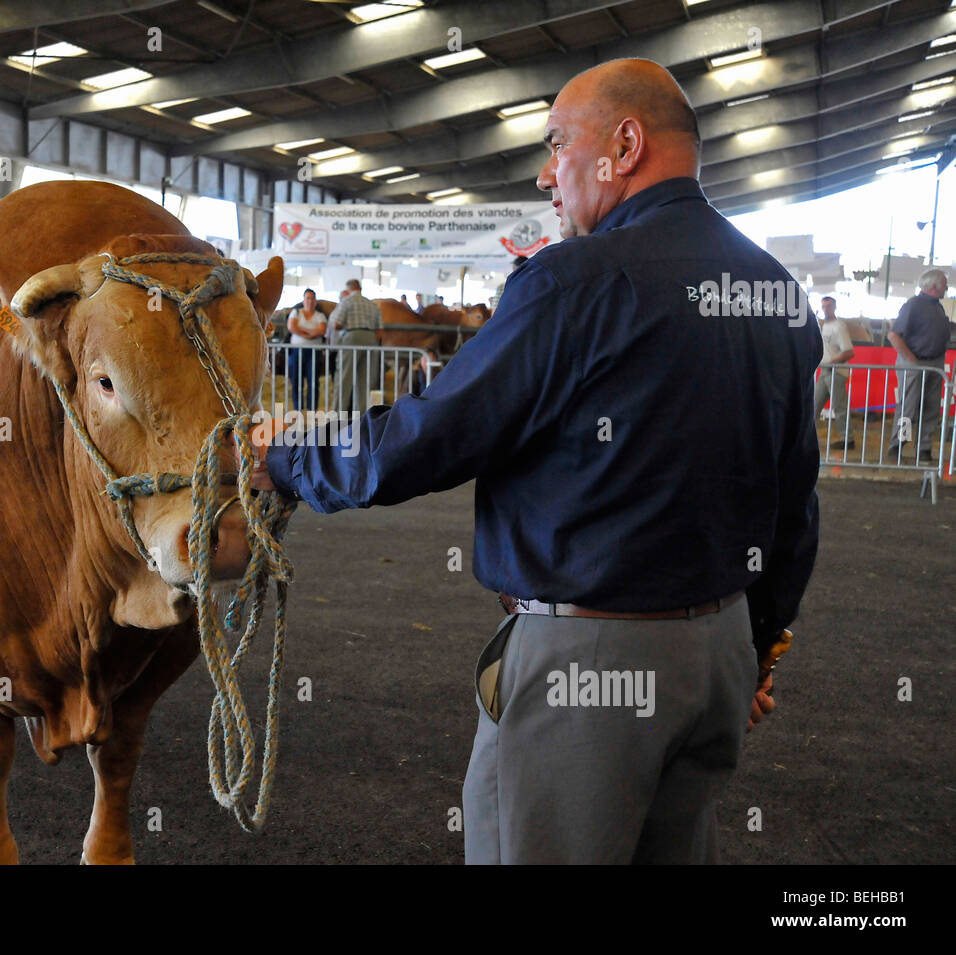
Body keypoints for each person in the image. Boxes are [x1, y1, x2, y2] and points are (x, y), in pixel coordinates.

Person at [250, 58, 821, 865]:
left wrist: (287, 458)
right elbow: (796, 502)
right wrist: (757, 646)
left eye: (558, 144)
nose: (547, 172)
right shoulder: (774, 291)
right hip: (719, 656)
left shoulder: (572, 282)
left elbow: (427, 438)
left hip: (590, 665)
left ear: (625, 145)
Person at [886, 269, 951, 465]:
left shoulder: (938, 307)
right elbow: (894, 335)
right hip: (916, 362)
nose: (946, 288)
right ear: (933, 286)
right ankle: (899, 443)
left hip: (934, 362)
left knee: (930, 408)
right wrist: (911, 358)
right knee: (909, 407)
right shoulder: (913, 305)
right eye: (943, 284)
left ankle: (924, 447)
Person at [327, 278, 382, 416]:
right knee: (365, 380)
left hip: (352, 337)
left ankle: (338, 416)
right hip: (370, 339)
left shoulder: (346, 301)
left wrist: (346, 327)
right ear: (360, 288)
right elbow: (380, 330)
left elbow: (336, 324)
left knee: (344, 377)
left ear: (348, 289)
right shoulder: (372, 305)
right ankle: (362, 417)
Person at [814, 296, 856, 451]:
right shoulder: (824, 326)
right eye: (824, 306)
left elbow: (849, 352)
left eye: (829, 306)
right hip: (826, 370)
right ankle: (806, 437)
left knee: (839, 407)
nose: (826, 309)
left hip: (834, 370)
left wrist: (830, 363)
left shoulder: (839, 326)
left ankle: (848, 439)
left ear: (835, 307)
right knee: (814, 405)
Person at [285, 288, 328, 412]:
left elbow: (322, 330)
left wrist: (302, 331)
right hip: (297, 350)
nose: (310, 301)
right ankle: (298, 409)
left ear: (315, 301)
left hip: (314, 352)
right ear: (303, 300)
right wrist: (311, 334)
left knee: (313, 381)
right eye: (308, 298)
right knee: (296, 380)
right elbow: (292, 327)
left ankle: (311, 409)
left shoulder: (320, 315)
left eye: (312, 299)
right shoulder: (296, 313)